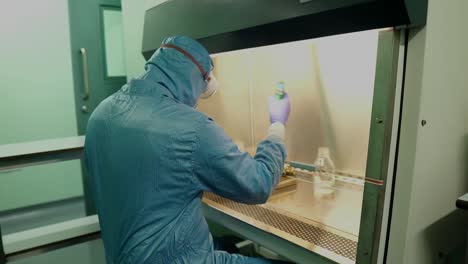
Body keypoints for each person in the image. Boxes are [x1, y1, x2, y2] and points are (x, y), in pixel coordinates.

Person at [85, 36, 291, 263]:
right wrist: (277, 127)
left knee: (228, 243)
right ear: (198, 78)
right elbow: (258, 184)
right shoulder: (192, 127)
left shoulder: (101, 114)